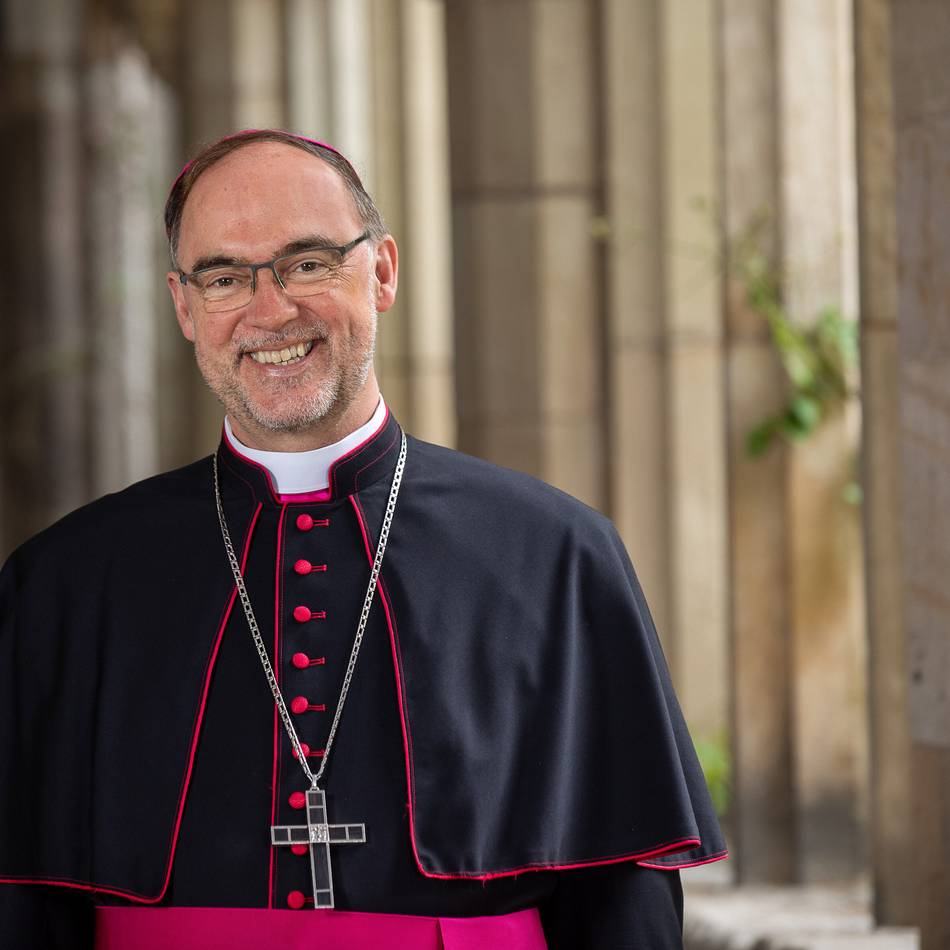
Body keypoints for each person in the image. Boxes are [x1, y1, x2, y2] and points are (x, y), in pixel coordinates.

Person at [0, 129, 726, 949]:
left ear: (381, 271)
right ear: (184, 306)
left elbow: (622, 907)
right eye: (225, 276)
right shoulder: (68, 583)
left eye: (307, 264)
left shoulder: (555, 558)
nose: (269, 310)